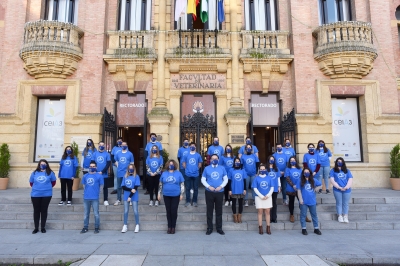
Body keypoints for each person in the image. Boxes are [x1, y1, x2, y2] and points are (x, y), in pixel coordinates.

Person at [202, 154, 228, 235]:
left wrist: (221, 186)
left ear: (218, 159)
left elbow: (226, 179)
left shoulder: (222, 168)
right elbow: (203, 179)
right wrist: (209, 186)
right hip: (209, 192)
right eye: (212, 158)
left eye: (216, 158)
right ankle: (209, 228)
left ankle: (219, 228)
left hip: (219, 192)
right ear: (210, 160)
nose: (214, 160)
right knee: (209, 210)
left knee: (219, 211)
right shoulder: (206, 168)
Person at [158, 160, 185, 234]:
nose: (171, 165)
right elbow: (160, 184)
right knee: (168, 211)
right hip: (166, 194)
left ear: (175, 165)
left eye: (172, 164)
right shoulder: (164, 173)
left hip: (176, 195)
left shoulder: (178, 173)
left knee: (174, 211)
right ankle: (169, 227)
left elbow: (182, 184)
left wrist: (182, 194)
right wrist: (158, 193)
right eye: (170, 164)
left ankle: (173, 227)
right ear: (167, 165)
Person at [29, 159, 56, 234]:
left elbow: (53, 182)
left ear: (47, 165)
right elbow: (31, 183)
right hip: (35, 194)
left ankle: (43, 227)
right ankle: (36, 228)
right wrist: (38, 187)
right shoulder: (34, 173)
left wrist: (46, 187)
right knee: (36, 210)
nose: (43, 165)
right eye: (41, 164)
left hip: (47, 194)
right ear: (39, 165)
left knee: (44, 210)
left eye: (44, 164)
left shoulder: (50, 173)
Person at [297, 167, 322, 236]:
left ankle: (316, 228)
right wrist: (300, 200)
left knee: (314, 215)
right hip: (304, 201)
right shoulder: (300, 181)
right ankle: (304, 229)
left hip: (312, 201)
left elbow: (320, 185)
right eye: (305, 172)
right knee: (303, 215)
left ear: (310, 173)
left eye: (308, 172)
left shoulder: (314, 180)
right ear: (303, 173)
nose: (306, 173)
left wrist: (316, 189)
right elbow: (298, 191)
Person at [80, 161, 104, 234]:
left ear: (96, 167)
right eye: (91, 166)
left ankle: (96, 227)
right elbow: (84, 185)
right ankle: (85, 227)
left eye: (93, 166)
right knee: (86, 214)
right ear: (89, 167)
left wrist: (98, 193)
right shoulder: (85, 176)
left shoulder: (99, 176)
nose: (92, 168)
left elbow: (101, 186)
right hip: (86, 197)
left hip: (95, 198)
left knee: (96, 213)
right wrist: (86, 192)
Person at [330, 157, 353, 223]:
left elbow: (350, 179)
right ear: (336, 163)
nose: (339, 163)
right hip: (337, 190)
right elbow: (332, 180)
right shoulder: (333, 170)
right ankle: (339, 216)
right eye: (338, 161)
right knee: (339, 203)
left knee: (345, 203)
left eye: (341, 161)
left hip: (347, 190)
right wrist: (338, 187)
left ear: (343, 162)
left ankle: (345, 216)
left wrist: (346, 187)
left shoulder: (347, 170)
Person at [252, 164, 274, 235]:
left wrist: (268, 195)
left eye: (263, 169)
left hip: (268, 197)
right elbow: (255, 188)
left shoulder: (269, 178)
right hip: (259, 197)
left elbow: (272, 187)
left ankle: (268, 227)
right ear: (259, 170)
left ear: (266, 170)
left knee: (267, 212)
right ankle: (260, 227)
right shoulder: (256, 178)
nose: (262, 170)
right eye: (261, 169)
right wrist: (261, 196)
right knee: (260, 212)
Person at [121, 163, 141, 233]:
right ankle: (125, 225)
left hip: (134, 196)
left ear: (134, 169)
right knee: (126, 211)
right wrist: (130, 190)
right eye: (129, 168)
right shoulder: (125, 176)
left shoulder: (136, 176)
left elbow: (135, 188)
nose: (130, 169)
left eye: (132, 168)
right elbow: (123, 186)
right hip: (126, 195)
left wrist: (130, 196)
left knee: (135, 211)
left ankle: (137, 224)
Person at [181, 142, 203, 207]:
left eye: (194, 146)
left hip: (196, 174)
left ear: (195, 147)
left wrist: (196, 169)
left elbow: (200, 163)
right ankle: (187, 201)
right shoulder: (186, 155)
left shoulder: (198, 155)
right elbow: (183, 163)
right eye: (191, 146)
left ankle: (194, 201)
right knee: (187, 188)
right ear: (189, 147)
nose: (192, 147)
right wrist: (187, 169)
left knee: (196, 188)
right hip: (188, 174)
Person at [227, 157, 247, 223]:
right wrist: (229, 190)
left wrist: (245, 189)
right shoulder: (231, 170)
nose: (237, 162)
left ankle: (239, 217)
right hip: (233, 189)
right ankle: (235, 216)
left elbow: (244, 180)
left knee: (241, 203)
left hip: (241, 189)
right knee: (234, 203)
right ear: (234, 162)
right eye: (236, 161)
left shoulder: (243, 170)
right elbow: (229, 180)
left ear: (240, 162)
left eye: (238, 161)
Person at [285, 156, 302, 223]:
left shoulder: (299, 169)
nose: (292, 161)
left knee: (301, 201)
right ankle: (291, 215)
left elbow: (302, 177)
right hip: (291, 188)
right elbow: (287, 178)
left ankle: (304, 215)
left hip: (299, 188)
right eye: (291, 160)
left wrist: (298, 185)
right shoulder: (288, 169)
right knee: (291, 202)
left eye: (293, 160)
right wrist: (293, 185)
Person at [94, 141, 111, 206]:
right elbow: (92, 162)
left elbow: (108, 164)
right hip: (96, 173)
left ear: (104, 146)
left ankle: (105, 200)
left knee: (105, 187)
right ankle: (95, 199)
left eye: (103, 145)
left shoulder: (107, 154)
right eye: (100, 145)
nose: (101, 146)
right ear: (98, 145)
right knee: (96, 187)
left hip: (104, 174)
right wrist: (95, 171)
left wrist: (102, 171)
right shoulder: (95, 153)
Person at [267, 155, 280, 223]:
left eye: (273, 159)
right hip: (267, 188)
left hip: (275, 188)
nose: (271, 160)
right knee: (269, 203)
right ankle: (269, 217)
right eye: (270, 159)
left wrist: (279, 186)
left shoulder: (276, 168)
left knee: (274, 203)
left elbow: (278, 178)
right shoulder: (266, 169)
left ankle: (274, 218)